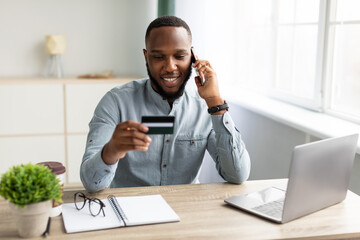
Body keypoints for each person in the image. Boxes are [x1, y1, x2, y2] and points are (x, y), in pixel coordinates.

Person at [80, 16, 251, 193]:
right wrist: (111, 151)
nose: (170, 67)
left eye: (179, 56)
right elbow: (91, 184)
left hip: (187, 210)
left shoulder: (205, 107)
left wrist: (216, 103)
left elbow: (237, 175)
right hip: (132, 209)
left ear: (192, 57)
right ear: (146, 57)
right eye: (159, 57)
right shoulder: (115, 102)